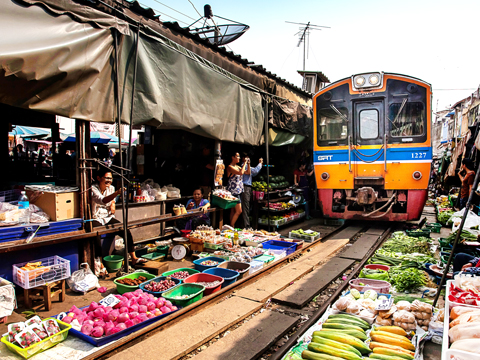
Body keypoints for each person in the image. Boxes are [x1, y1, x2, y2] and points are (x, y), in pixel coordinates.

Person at [91, 168, 145, 265]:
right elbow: (102, 200)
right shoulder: (93, 189)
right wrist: (116, 193)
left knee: (125, 230)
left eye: (110, 178)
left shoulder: (111, 188)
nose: (109, 181)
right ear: (99, 178)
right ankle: (100, 264)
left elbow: (112, 201)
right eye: (106, 178)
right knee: (96, 236)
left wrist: (113, 202)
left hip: (107, 217)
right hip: (95, 217)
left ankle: (133, 257)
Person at [240, 152, 263, 228]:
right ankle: (246, 226)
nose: (247, 158)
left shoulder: (247, 166)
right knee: (245, 206)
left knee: (246, 206)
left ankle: (245, 224)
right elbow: (253, 171)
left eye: (248, 157)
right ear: (243, 159)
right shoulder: (244, 166)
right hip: (245, 186)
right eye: (246, 157)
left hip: (247, 187)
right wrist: (260, 164)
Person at [226, 152, 248, 228]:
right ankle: (231, 225)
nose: (239, 158)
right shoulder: (230, 167)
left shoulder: (238, 166)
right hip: (233, 191)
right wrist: (244, 163)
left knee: (233, 210)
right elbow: (241, 173)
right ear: (233, 157)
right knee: (239, 211)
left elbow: (247, 172)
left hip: (238, 190)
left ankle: (232, 225)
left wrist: (248, 164)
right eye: (237, 156)